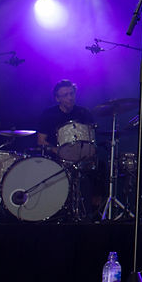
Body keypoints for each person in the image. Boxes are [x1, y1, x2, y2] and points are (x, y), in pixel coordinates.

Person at [38, 80, 101, 218]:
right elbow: (41, 140)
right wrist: (56, 150)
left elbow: (92, 137)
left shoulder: (84, 113)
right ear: (57, 98)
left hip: (82, 157)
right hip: (56, 157)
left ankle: (94, 209)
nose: (70, 97)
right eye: (65, 95)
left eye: (71, 94)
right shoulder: (49, 114)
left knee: (101, 164)